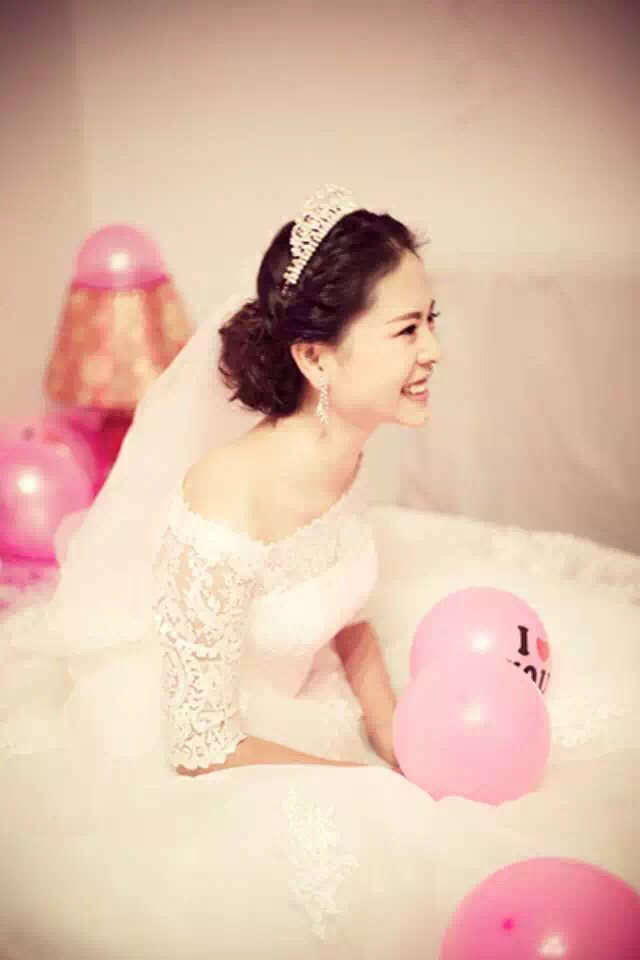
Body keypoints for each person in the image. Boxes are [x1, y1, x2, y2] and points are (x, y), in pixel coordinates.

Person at [0, 185, 638, 959]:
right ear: (314, 356)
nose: (433, 350)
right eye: (406, 329)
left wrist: (389, 724)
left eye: (431, 320)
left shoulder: (345, 450)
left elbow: (344, 607)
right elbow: (199, 746)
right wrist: (358, 772)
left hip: (309, 700)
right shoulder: (224, 503)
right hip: (220, 743)